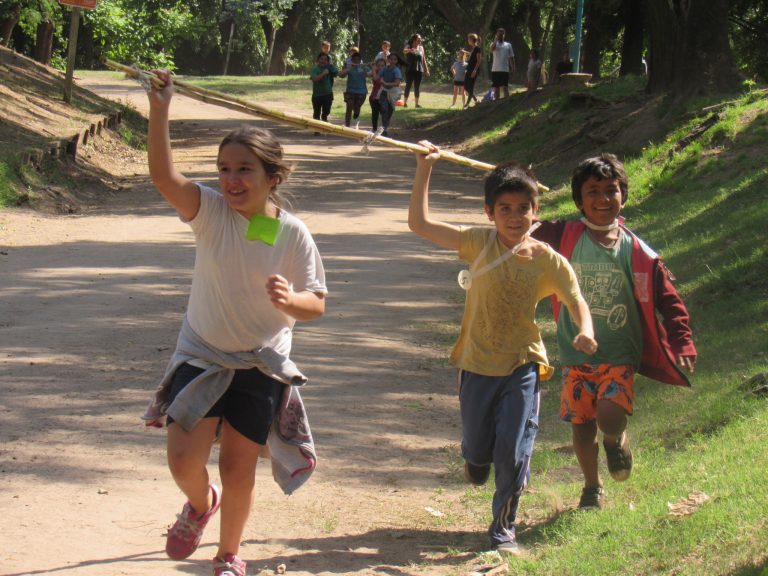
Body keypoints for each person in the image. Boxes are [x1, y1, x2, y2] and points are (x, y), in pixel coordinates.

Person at [143, 71, 327, 576]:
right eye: (224, 168)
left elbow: (316, 303)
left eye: (245, 169)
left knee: (238, 467)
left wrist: (291, 299)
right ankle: (200, 504)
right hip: (202, 355)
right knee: (183, 461)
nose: (231, 179)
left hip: (259, 365)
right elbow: (164, 178)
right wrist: (160, 109)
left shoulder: (289, 232)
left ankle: (228, 556)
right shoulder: (211, 213)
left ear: (273, 176)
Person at [408, 142, 597, 554]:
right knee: (480, 451)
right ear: (488, 213)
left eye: (523, 208)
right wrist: (425, 168)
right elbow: (419, 224)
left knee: (513, 449)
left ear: (536, 211)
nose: (515, 217)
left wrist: (585, 329)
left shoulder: (547, 259)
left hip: (522, 364)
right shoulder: (478, 242)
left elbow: (576, 299)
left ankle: (503, 529)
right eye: (505, 209)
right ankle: (476, 460)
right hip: (476, 363)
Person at [533, 153, 697, 511]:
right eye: (593, 191)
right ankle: (592, 487)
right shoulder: (564, 235)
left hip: (620, 353)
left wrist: (681, 339)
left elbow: (668, 297)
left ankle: (614, 438)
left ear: (623, 194)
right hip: (575, 354)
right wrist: (518, 188)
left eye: (611, 190)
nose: (603, 199)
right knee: (581, 428)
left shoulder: (637, 251)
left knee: (608, 415)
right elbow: (519, 223)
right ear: (579, 200)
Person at [338, 51, 370, 129]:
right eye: (354, 60)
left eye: (358, 60)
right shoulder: (349, 67)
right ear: (352, 60)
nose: (356, 61)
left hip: (362, 92)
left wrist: (365, 69)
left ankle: (356, 111)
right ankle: (347, 127)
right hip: (350, 91)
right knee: (349, 108)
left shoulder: (364, 67)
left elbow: (371, 75)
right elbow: (340, 75)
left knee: (357, 107)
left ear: (360, 60)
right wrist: (350, 68)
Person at [378, 52, 403, 136]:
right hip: (384, 91)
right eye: (391, 59)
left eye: (394, 59)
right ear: (388, 60)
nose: (392, 61)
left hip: (393, 93)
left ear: (396, 61)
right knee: (384, 109)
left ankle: (385, 126)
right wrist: (373, 69)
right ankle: (384, 128)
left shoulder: (397, 70)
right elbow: (377, 77)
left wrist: (385, 83)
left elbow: (397, 83)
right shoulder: (384, 69)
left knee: (390, 110)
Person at [402, 33, 430, 108]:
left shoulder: (421, 48)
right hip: (410, 69)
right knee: (408, 85)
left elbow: (423, 59)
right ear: (414, 40)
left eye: (420, 39)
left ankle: (416, 104)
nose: (420, 40)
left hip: (419, 69)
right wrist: (410, 50)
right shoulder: (409, 46)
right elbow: (404, 51)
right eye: (419, 39)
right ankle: (405, 103)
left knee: (417, 87)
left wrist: (426, 70)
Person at [310, 52, 337, 125]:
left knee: (327, 111)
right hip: (317, 95)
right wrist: (323, 73)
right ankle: (316, 128)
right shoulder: (315, 69)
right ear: (318, 60)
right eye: (321, 59)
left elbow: (337, 73)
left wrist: (332, 67)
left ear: (328, 62)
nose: (323, 61)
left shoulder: (330, 68)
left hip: (328, 94)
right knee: (316, 114)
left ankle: (324, 120)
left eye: (325, 60)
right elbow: (315, 79)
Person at [491, 28, 515, 99]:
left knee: (505, 88)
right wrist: (495, 40)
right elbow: (492, 49)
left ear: (504, 35)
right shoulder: (494, 44)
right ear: (496, 35)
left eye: (501, 34)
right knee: (496, 89)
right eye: (499, 34)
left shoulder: (508, 45)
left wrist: (513, 67)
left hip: (505, 70)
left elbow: (511, 57)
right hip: (495, 70)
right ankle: (496, 102)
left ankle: (506, 102)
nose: (500, 36)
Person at [464, 33, 482, 108]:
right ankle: (476, 100)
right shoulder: (473, 48)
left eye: (469, 39)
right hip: (469, 70)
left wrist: (475, 70)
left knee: (470, 86)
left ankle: (467, 104)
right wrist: (465, 52)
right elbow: (471, 55)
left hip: (473, 70)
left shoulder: (477, 48)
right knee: (465, 86)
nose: (468, 40)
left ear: (472, 39)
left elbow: (479, 60)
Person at [369, 57, 386, 131]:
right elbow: (367, 74)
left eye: (382, 66)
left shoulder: (387, 73)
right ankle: (374, 129)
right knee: (375, 113)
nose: (380, 67)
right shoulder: (374, 72)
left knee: (384, 114)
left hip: (384, 97)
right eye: (378, 65)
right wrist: (373, 67)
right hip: (374, 97)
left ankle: (384, 129)